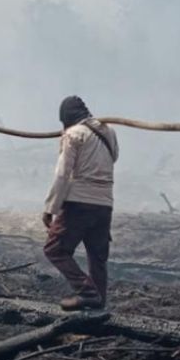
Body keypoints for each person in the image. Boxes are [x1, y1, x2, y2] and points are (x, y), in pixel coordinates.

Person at [42, 95, 119, 310]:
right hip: (105, 203)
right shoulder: (109, 131)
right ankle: (99, 303)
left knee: (54, 249)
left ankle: (87, 292)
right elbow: (115, 157)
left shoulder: (73, 135)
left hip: (79, 203)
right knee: (97, 256)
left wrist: (50, 208)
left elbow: (62, 174)